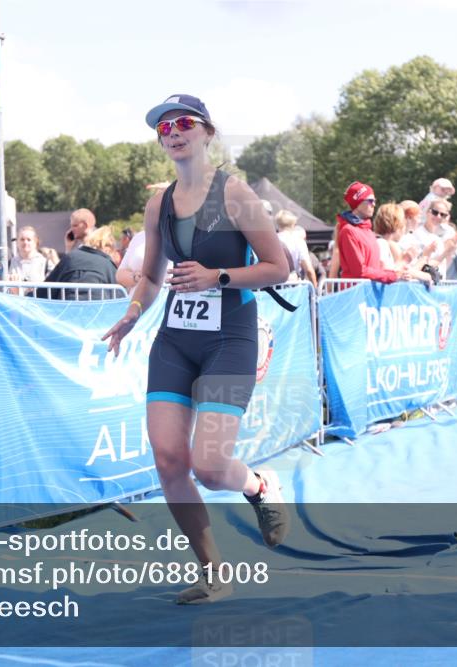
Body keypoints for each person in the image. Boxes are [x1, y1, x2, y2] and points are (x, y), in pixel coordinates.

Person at [102, 94, 291, 605]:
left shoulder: (235, 193)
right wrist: (132, 313)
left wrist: (218, 276)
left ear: (207, 131)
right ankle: (213, 573)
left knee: (209, 466)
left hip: (230, 340)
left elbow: (279, 267)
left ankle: (257, 485)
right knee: (168, 460)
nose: (173, 132)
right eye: (164, 128)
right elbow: (150, 276)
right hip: (175, 340)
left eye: (183, 123)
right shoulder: (158, 202)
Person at [336, 182, 404, 283]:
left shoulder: (368, 231)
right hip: (355, 293)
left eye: (374, 201)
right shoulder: (348, 231)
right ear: (358, 203)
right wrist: (391, 276)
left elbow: (375, 267)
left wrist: (396, 273)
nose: (374, 204)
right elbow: (360, 271)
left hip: (369, 292)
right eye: (370, 201)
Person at [36, 225, 118, 299]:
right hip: (97, 313)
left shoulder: (71, 257)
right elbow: (119, 298)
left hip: (67, 310)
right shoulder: (109, 265)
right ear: (108, 248)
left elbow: (43, 292)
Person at [275, 210, 317, 286]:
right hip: (292, 286)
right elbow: (308, 270)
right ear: (293, 224)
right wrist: (315, 289)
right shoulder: (298, 241)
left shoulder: (273, 240)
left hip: (274, 285)